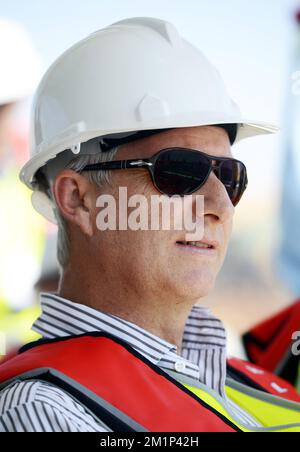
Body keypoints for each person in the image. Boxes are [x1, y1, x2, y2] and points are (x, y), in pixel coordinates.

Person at [0, 17, 299, 433]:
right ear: (77, 199)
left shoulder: (259, 383)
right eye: (179, 171)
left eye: (230, 176)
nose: (220, 205)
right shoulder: (44, 411)